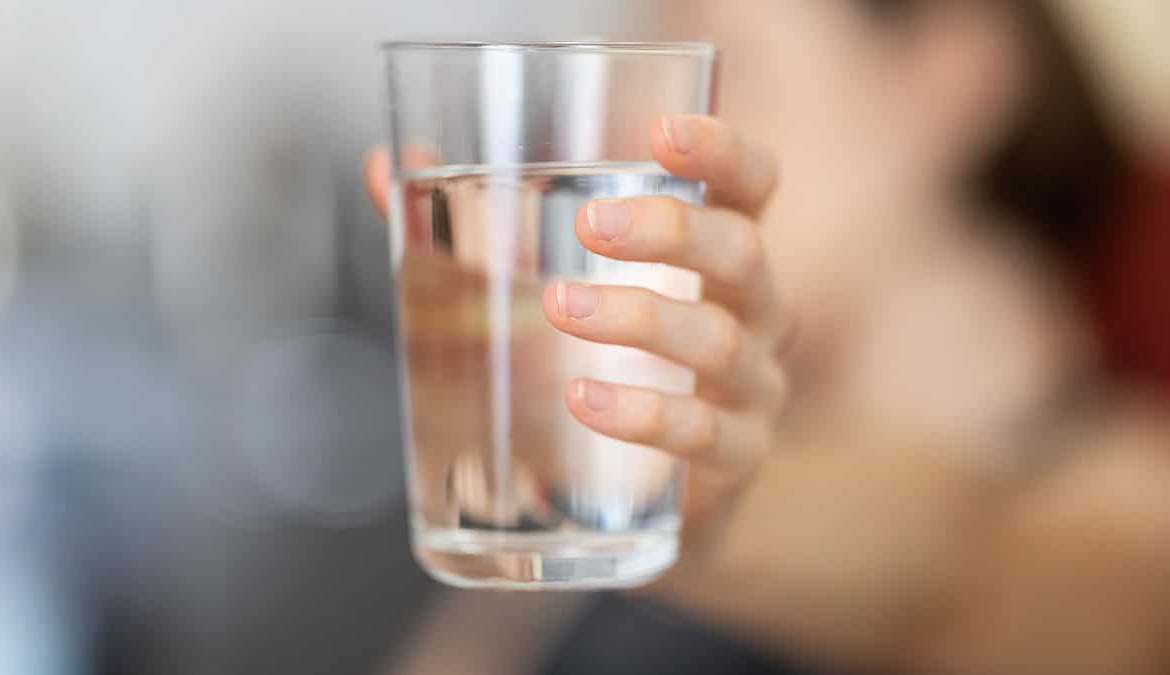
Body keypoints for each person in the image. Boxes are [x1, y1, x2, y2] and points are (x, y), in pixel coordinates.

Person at [368, 1, 1170, 673]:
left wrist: (695, 515)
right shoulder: (619, 455)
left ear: (951, 73)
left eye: (723, 69)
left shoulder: (1125, 496)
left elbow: (972, 572)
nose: (629, 133)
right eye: (633, 77)